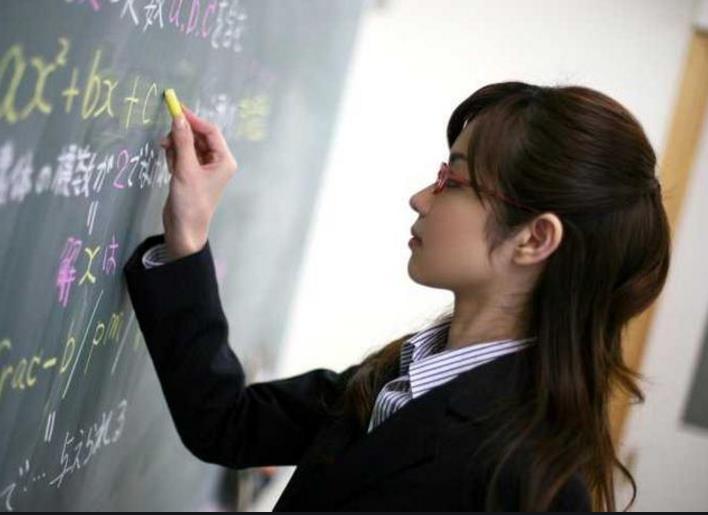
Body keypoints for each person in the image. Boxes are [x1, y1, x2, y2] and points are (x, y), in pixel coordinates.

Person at [123, 81, 671, 511]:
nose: (420, 198)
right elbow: (229, 424)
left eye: (453, 181)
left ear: (534, 239)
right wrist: (188, 238)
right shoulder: (402, 374)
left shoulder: (531, 482)